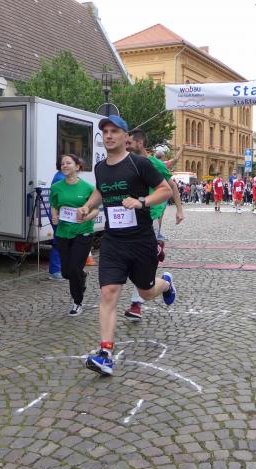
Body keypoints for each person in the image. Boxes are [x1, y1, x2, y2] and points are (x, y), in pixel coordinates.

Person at [76, 115, 176, 376]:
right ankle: (105, 354)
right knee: (109, 292)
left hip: (141, 240)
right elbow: (101, 191)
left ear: (126, 136)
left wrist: (141, 202)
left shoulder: (139, 163)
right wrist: (88, 205)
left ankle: (166, 284)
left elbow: (165, 190)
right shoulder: (100, 168)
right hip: (113, 241)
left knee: (146, 292)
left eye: (114, 131)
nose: (109, 136)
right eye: (105, 132)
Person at [125, 128, 184, 321]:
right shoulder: (125, 162)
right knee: (130, 258)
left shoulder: (155, 164)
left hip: (150, 216)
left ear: (140, 143)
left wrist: (179, 210)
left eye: (129, 142)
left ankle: (136, 304)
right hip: (129, 218)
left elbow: (172, 186)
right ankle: (158, 252)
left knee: (141, 259)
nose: (126, 146)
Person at [50, 154, 98, 315]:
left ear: (77, 167)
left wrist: (86, 217)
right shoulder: (56, 187)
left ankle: (77, 302)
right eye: (62, 163)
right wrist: (55, 216)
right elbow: (54, 205)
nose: (64, 165)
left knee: (75, 268)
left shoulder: (88, 188)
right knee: (66, 272)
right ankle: (81, 276)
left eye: (68, 163)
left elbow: (96, 210)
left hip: (83, 232)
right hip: (63, 232)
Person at [48, 162, 68, 281]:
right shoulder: (60, 178)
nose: (66, 165)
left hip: (63, 215)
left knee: (63, 242)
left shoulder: (62, 176)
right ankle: (55, 271)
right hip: (60, 215)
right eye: (64, 163)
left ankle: (62, 269)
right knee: (59, 242)